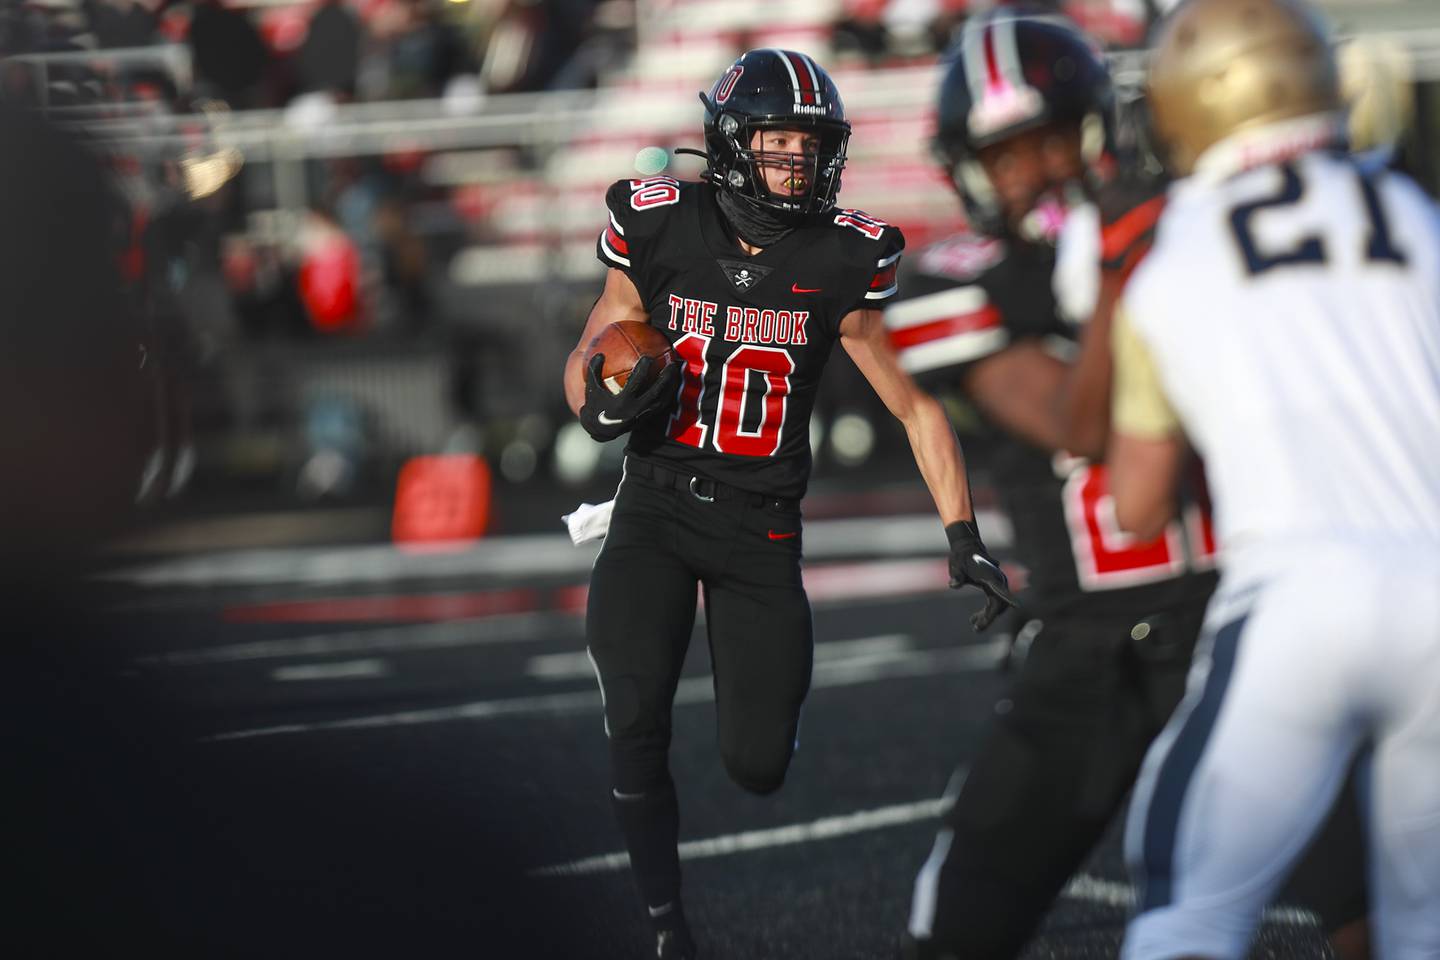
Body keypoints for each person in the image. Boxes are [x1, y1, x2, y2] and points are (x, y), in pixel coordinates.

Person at [561, 48, 1016, 960]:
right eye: (778, 145)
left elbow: (916, 405)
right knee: (634, 716)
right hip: (653, 503)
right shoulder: (655, 225)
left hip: (759, 527)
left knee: (758, 764)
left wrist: (961, 531)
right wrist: (594, 403)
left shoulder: (843, 255)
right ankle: (665, 927)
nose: (797, 165)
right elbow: (588, 352)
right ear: (731, 145)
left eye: (810, 148)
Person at [1105, 1, 1440, 959]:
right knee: (1423, 933)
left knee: (1189, 913)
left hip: (1298, 597)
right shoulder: (1416, 217)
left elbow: (1137, 504)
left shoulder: (1172, 255)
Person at [890, 12, 1221, 959]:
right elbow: (1077, 426)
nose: (1033, 173)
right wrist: (1123, 267)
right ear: (968, 169)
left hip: (1239, 614)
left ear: (1092, 128)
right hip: (1091, 641)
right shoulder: (955, 284)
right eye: (1005, 156)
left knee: (1371, 894)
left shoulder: (1188, 234)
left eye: (1047, 141)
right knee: (958, 921)